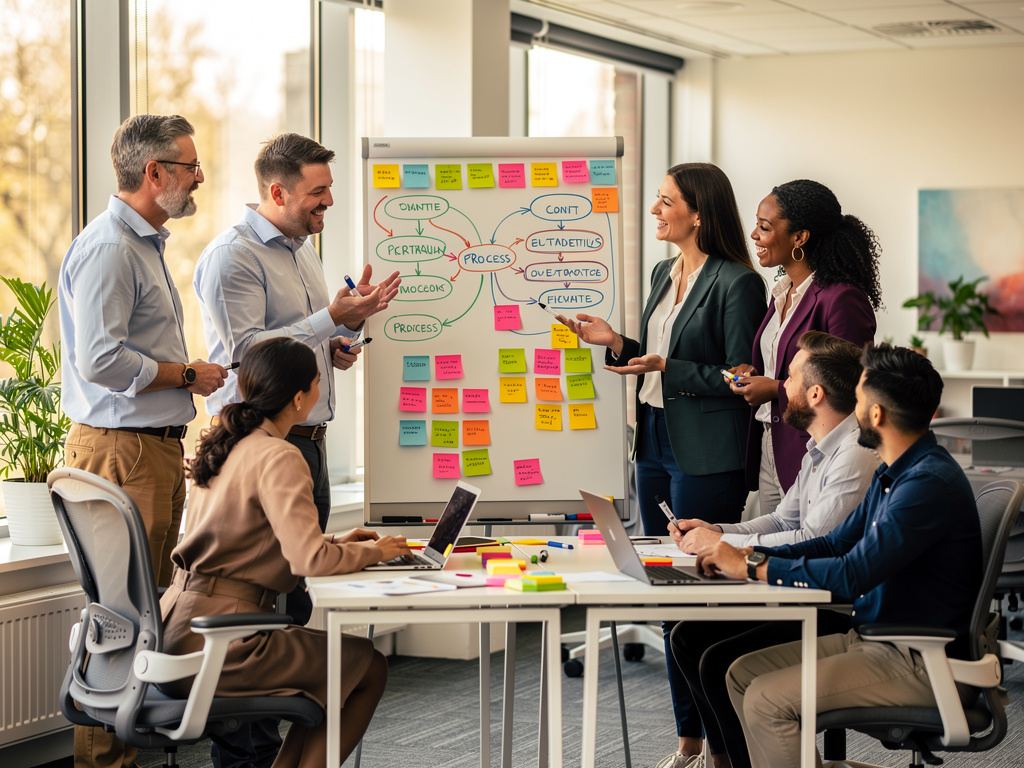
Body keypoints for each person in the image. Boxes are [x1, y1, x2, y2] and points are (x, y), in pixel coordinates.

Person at [193, 132, 399, 768]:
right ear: (276, 192)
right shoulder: (233, 258)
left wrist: (340, 338)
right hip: (270, 445)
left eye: (329, 189)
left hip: (306, 442)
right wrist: (325, 321)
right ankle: (245, 762)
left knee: (294, 603)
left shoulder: (300, 251)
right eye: (318, 191)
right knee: (272, 611)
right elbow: (243, 358)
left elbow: (296, 347)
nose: (329, 202)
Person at [558, 162, 766, 768]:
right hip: (651, 440)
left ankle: (722, 746)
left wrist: (660, 368)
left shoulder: (736, 282)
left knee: (700, 596)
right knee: (664, 587)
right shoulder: (662, 271)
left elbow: (739, 376)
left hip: (705, 451)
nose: (655, 210)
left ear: (698, 212)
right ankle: (688, 741)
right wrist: (616, 343)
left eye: (665, 200)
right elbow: (658, 355)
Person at [698, 344, 981, 768]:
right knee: (738, 674)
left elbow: (853, 574)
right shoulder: (895, 472)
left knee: (764, 699)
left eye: (860, 399)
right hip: (876, 640)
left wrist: (753, 566)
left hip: (920, 659)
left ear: (878, 415)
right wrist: (745, 554)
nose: (852, 408)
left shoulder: (925, 485)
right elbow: (832, 544)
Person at [58, 113, 228, 768]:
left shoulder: (141, 244)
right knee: (122, 625)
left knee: (142, 619)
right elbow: (101, 360)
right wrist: (186, 373)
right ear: (154, 173)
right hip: (121, 450)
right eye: (189, 166)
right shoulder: (111, 248)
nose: (199, 178)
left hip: (142, 448)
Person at [160, 337, 412, 768]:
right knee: (367, 668)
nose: (320, 391)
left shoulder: (226, 443)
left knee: (333, 676)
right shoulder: (281, 455)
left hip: (177, 628)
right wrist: (378, 553)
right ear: (300, 398)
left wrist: (337, 544)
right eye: (317, 382)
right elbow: (307, 563)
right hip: (225, 639)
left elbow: (247, 542)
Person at [667, 331, 880, 768]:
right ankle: (723, 760)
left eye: (790, 377)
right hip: (802, 587)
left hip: (832, 603)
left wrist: (726, 546)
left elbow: (814, 542)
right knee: (690, 636)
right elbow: (784, 521)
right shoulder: (820, 448)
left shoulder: (855, 454)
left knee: (718, 659)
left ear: (815, 393)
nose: (781, 385)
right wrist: (717, 529)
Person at [727, 179, 881, 516]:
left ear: (799, 237)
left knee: (802, 548)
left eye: (764, 227)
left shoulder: (841, 298)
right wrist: (753, 373)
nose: (754, 235)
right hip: (770, 443)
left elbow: (847, 385)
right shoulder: (783, 292)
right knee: (774, 540)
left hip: (812, 449)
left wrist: (775, 389)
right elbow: (781, 363)